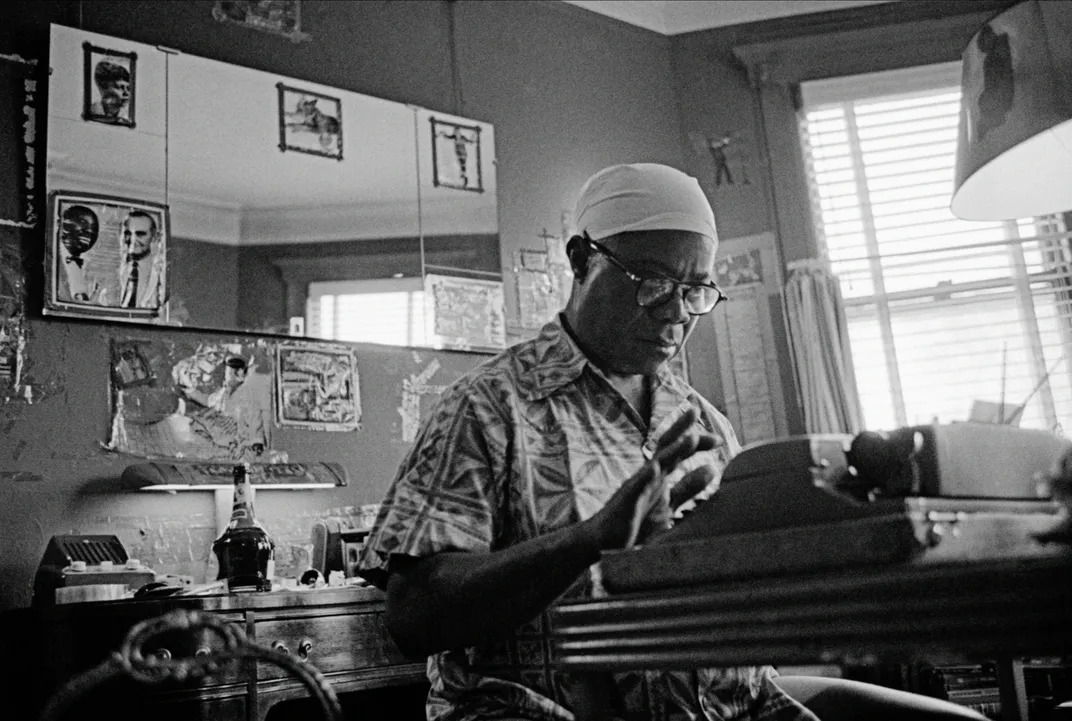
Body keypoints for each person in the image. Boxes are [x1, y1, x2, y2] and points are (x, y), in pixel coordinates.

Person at [357, 163, 986, 721]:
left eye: (695, 291)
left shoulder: (703, 424)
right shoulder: (488, 409)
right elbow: (412, 619)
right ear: (580, 259)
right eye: (652, 282)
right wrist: (588, 543)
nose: (677, 312)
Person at [118, 210, 165, 310]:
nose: (133, 240)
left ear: (154, 237)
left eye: (140, 234)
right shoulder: (114, 272)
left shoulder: (161, 273)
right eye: (128, 233)